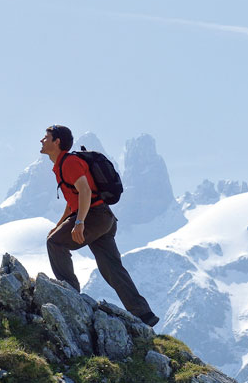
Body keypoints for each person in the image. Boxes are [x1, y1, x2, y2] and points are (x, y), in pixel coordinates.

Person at [41, 125, 160, 327]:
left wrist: (79, 222)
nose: (42, 141)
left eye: (46, 137)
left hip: (94, 216)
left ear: (57, 141)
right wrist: (59, 224)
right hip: (105, 219)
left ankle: (69, 292)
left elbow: (85, 191)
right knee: (112, 268)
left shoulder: (69, 163)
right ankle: (144, 314)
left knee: (54, 242)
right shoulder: (62, 165)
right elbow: (73, 200)